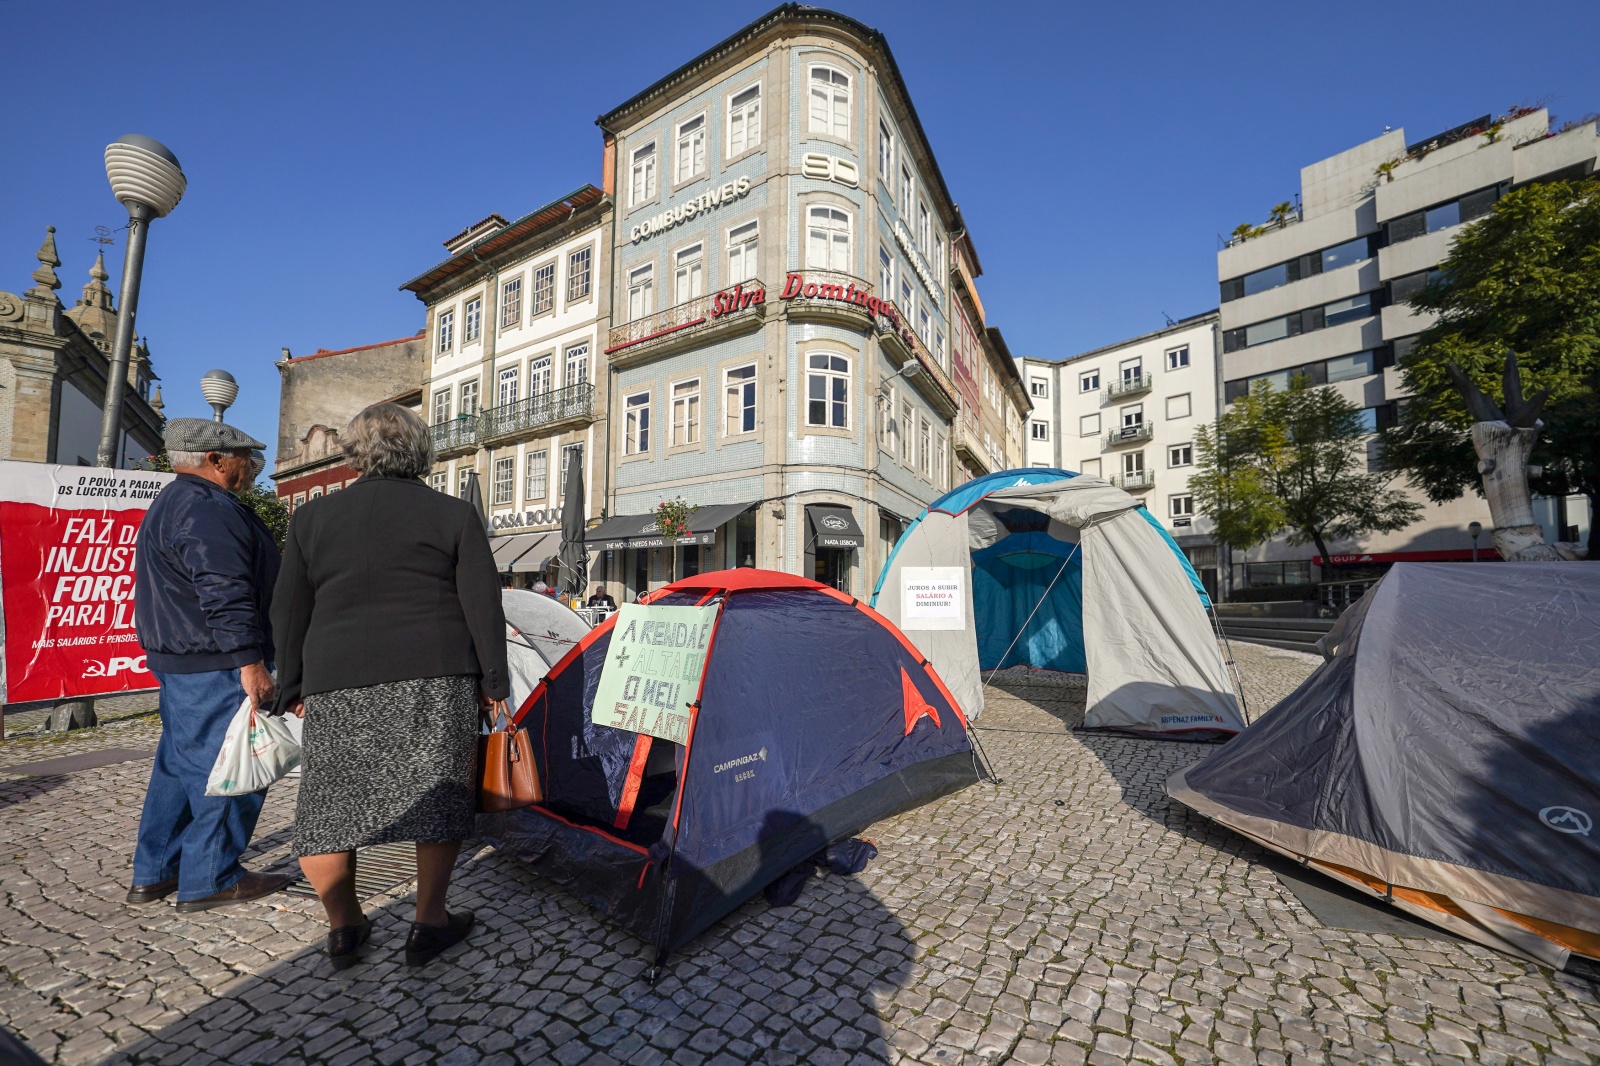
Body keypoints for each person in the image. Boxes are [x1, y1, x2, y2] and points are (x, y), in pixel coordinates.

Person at [272, 403, 508, 970]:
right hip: (436, 671)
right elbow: (482, 603)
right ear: (421, 452)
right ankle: (429, 922)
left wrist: (291, 683)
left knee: (329, 804)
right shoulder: (452, 514)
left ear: (354, 453)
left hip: (338, 676)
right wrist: (494, 682)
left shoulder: (311, 520)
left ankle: (344, 925)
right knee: (438, 796)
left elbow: (288, 610)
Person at [129, 419, 291, 912]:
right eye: (246, 455)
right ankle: (211, 876)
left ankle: (157, 872)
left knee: (179, 768)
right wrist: (250, 660)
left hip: (183, 657)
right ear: (216, 460)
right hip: (214, 659)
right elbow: (224, 590)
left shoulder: (174, 500)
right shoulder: (205, 508)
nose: (253, 466)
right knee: (231, 766)